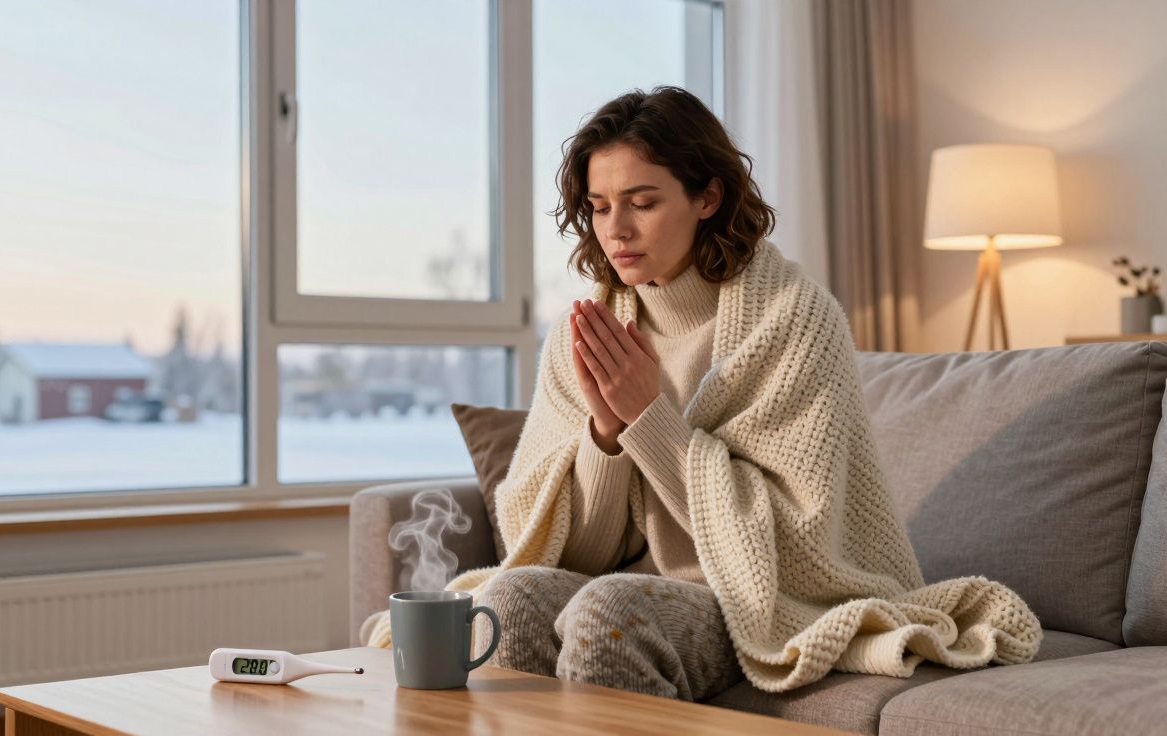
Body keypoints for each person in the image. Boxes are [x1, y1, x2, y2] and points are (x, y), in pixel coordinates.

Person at [362, 86, 1041, 698]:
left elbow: (795, 546)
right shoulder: (587, 332)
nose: (616, 230)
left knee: (611, 617)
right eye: (599, 208)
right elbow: (578, 555)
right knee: (510, 597)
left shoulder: (796, 319)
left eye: (643, 202)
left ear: (707, 198)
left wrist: (648, 419)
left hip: (753, 595)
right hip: (623, 582)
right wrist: (604, 437)